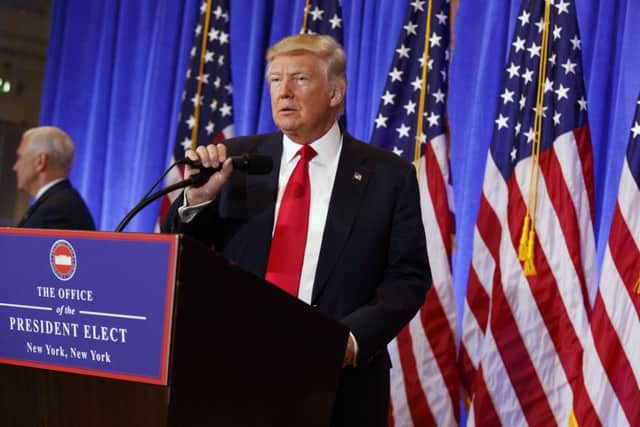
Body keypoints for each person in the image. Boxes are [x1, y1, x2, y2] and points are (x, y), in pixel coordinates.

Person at [162, 34, 430, 426]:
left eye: (300, 79)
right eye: (275, 80)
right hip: (233, 374)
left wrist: (350, 342)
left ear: (336, 93)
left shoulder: (389, 176)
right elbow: (182, 255)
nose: (283, 92)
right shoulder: (235, 161)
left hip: (339, 382)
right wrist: (198, 200)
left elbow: (408, 278)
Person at [13, 126, 95, 230]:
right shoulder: (58, 202)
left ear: (40, 161)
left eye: (20, 157)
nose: (15, 167)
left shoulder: (55, 211)